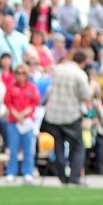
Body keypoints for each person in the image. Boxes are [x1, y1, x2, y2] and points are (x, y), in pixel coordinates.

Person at [43, 50, 92, 185]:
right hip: (71, 114)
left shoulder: (59, 69)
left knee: (58, 146)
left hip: (54, 115)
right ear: (83, 63)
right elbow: (86, 95)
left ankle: (62, 177)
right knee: (77, 146)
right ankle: (74, 177)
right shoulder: (79, 74)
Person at [3, 64, 41, 184]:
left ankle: (27, 172)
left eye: (23, 73)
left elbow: (34, 103)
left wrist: (24, 114)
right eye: (18, 73)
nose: (20, 76)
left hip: (27, 121)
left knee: (28, 149)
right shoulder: (11, 87)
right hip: (14, 121)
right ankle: (11, 172)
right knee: (13, 149)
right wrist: (16, 114)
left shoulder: (31, 88)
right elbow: (8, 103)